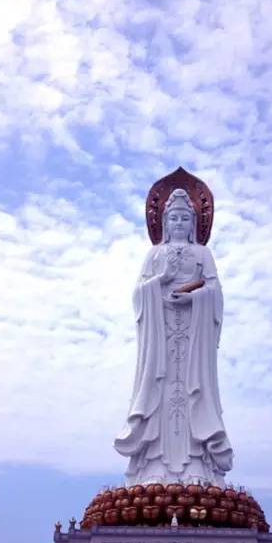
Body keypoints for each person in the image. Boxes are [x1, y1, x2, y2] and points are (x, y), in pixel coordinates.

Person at [114, 188, 233, 486]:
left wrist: (196, 299)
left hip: (193, 338)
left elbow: (215, 293)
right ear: (165, 223)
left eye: (184, 218)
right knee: (162, 394)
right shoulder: (154, 254)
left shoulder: (203, 253)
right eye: (174, 218)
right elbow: (138, 294)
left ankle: (197, 466)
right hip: (161, 340)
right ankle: (153, 469)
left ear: (193, 224)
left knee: (193, 392)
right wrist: (161, 282)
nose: (179, 223)